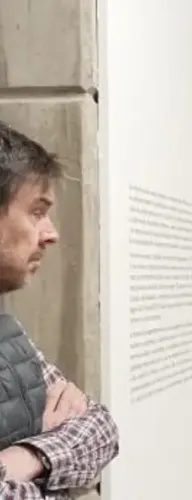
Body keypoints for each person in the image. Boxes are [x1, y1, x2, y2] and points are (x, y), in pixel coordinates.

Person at [0, 122, 119, 498]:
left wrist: (30, 455)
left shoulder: (7, 330)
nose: (51, 234)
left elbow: (100, 428)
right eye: (36, 212)